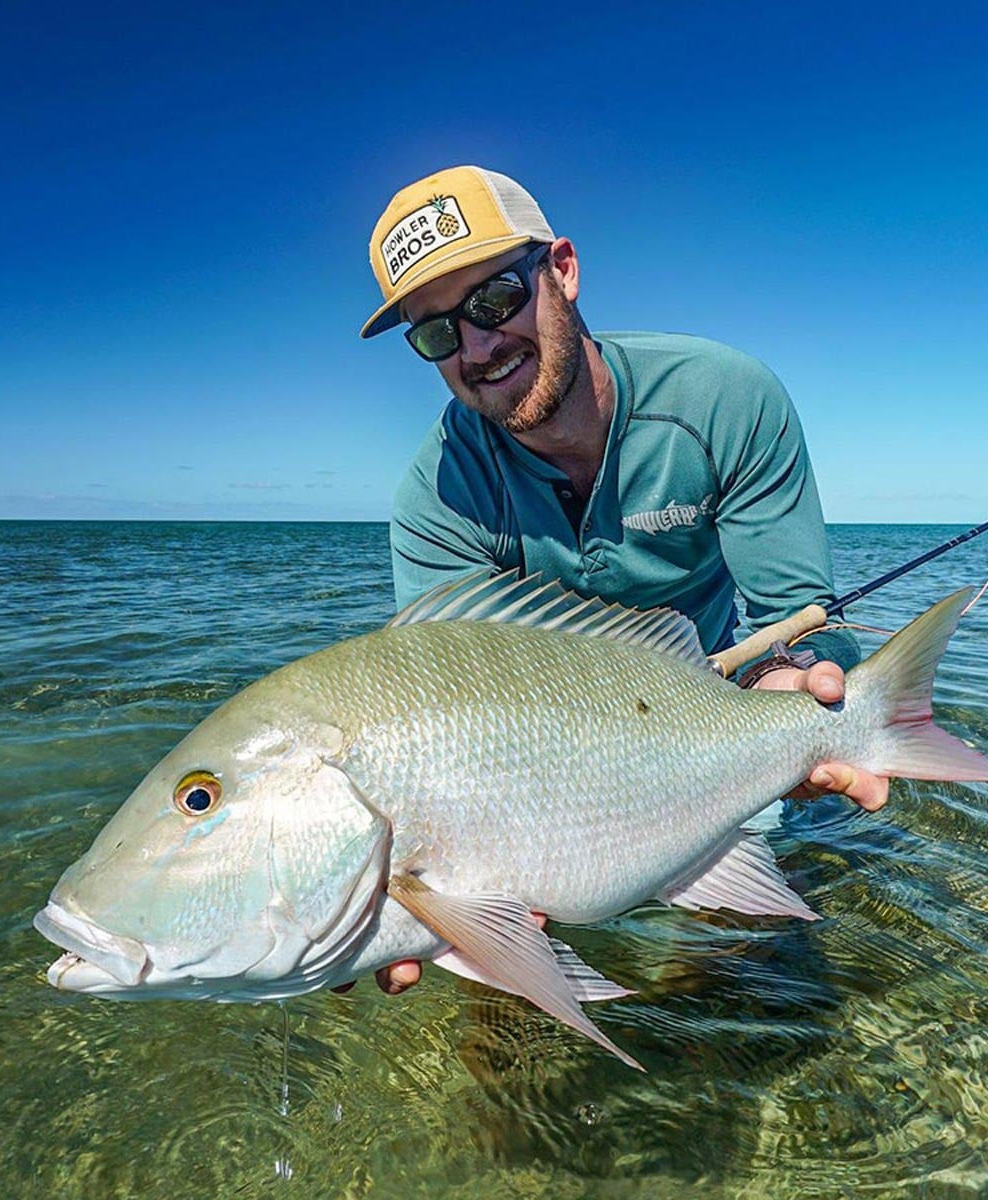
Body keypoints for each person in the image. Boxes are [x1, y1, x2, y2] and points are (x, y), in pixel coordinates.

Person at [351, 165, 887, 996]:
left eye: (493, 300)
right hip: (534, 777)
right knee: (501, 1019)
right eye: (436, 334)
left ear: (561, 270)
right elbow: (443, 705)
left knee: (732, 981)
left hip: (714, 727)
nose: (477, 348)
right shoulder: (435, 499)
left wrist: (797, 679)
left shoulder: (725, 400)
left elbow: (799, 617)